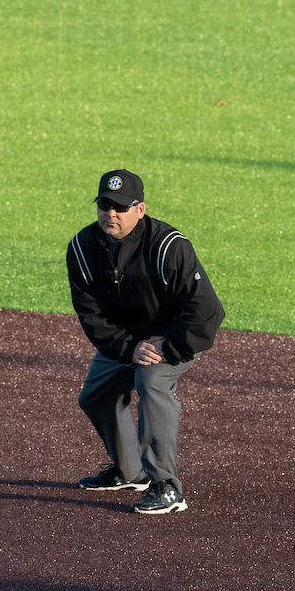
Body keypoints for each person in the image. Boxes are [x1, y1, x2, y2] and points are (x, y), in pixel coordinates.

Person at [67, 169, 224, 514]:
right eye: (104, 205)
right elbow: (91, 315)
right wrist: (128, 347)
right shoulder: (82, 248)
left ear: (140, 209)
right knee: (96, 395)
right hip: (128, 339)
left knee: (150, 381)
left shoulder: (168, 246)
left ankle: (167, 487)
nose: (111, 214)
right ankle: (129, 471)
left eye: (120, 207)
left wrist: (166, 347)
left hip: (174, 336)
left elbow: (208, 311)